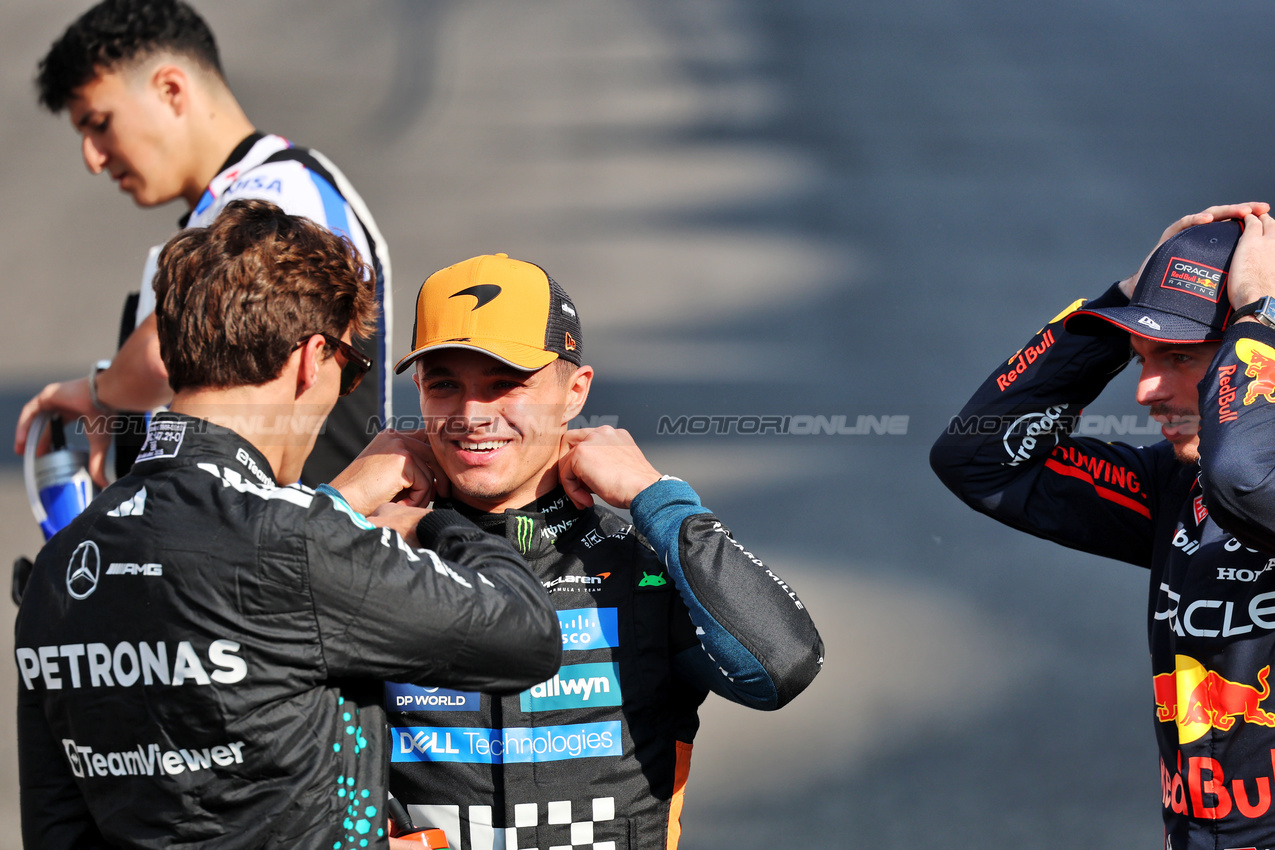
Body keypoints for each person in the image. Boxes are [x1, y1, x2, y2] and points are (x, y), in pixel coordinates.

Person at [15, 201, 560, 850]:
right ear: (310, 360)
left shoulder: (61, 565)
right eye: (349, 372)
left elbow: (55, 829)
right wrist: (435, 520)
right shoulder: (295, 541)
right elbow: (525, 633)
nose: (341, 394)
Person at [377, 253, 824, 850]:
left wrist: (656, 499)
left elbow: (781, 667)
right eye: (445, 385)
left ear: (574, 393)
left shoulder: (641, 557)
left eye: (506, 384)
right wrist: (326, 511)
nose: (472, 415)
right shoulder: (370, 553)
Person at [930, 202, 1275, 848]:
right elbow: (976, 456)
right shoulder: (1174, 487)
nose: (1144, 390)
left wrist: (1262, 310)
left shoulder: (1233, 475)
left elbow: (1247, 478)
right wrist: (1127, 300)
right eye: (1142, 357)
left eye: (1179, 359)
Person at [14, 0, 391, 488]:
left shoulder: (284, 192)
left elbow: (159, 355)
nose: (93, 157)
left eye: (100, 124)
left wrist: (100, 391)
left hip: (290, 543)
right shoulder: (248, 198)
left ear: (171, 89)